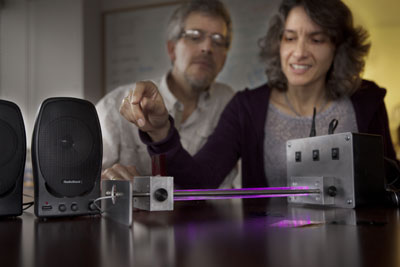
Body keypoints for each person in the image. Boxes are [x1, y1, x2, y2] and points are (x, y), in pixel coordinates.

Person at [120, 0, 397, 189]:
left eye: (317, 39)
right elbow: (199, 180)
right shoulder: (246, 108)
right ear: (278, 43)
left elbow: (391, 182)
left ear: (338, 48)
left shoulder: (366, 100)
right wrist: (160, 131)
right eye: (289, 38)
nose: (299, 52)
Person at [97, 0, 239, 187]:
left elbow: (209, 184)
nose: (207, 48)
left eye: (218, 40)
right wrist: (103, 183)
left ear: (225, 58)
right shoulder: (114, 105)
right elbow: (76, 184)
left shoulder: (230, 103)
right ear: (172, 49)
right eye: (195, 36)